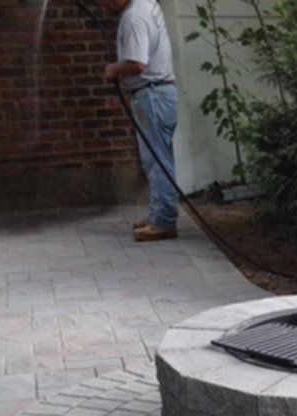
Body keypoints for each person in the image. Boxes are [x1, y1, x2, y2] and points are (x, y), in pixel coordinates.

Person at [103, 0, 179, 242]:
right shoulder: (146, 6)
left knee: (157, 160)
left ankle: (163, 222)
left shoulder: (135, 15)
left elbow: (137, 64)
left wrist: (113, 69)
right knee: (156, 159)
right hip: (157, 94)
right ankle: (160, 215)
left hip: (151, 95)